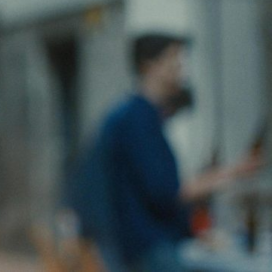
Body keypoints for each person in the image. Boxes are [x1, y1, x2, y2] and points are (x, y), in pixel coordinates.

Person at [69, 33, 263, 272]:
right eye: (173, 59)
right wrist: (231, 173)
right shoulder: (138, 119)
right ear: (149, 65)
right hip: (149, 248)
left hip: (145, 246)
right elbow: (167, 192)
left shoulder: (135, 115)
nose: (180, 68)